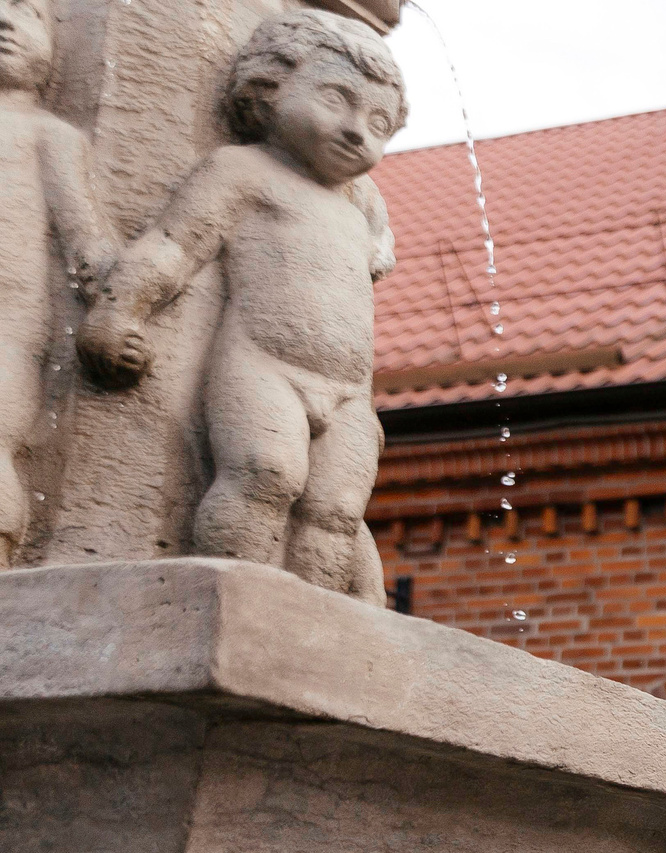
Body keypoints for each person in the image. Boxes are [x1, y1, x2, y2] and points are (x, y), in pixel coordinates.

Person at [76, 9, 402, 602]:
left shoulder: (361, 205)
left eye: (380, 122)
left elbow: (377, 254)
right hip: (264, 366)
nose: (359, 131)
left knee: (335, 511)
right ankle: (235, 601)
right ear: (269, 88)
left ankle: (314, 624)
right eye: (336, 99)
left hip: (351, 391)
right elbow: (172, 247)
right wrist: (118, 312)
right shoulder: (243, 171)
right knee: (263, 474)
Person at [0, 0, 115, 564]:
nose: (4, 24)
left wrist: (118, 304)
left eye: (27, 14)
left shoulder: (50, 135)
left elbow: (83, 233)